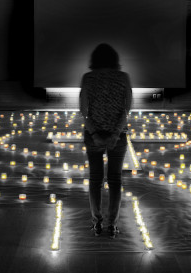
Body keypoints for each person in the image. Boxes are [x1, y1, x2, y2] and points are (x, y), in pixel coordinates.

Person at [79, 43, 132, 239]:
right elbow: (126, 110)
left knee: (95, 181)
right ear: (115, 59)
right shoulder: (123, 78)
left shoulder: (88, 78)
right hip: (118, 137)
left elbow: (84, 111)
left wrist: (94, 134)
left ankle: (97, 224)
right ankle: (113, 226)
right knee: (115, 181)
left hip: (94, 137)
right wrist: (115, 134)